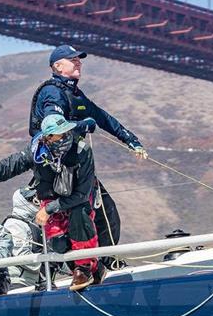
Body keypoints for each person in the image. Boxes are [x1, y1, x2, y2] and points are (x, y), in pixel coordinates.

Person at [0, 114, 102, 291]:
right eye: (60, 134)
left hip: (76, 201)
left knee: (78, 218)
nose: (66, 137)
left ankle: (85, 269)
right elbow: (7, 167)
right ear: (48, 137)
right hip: (50, 202)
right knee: (59, 245)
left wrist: (50, 209)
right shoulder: (36, 151)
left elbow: (82, 194)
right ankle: (96, 270)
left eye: (67, 132)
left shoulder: (82, 150)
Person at [30, 44, 149, 258]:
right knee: (84, 216)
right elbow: (53, 126)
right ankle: (83, 266)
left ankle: (103, 262)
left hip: (78, 166)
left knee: (106, 213)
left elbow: (102, 118)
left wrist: (131, 140)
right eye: (72, 59)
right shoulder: (52, 93)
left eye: (79, 59)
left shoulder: (74, 93)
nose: (79, 62)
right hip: (58, 170)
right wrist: (84, 124)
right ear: (57, 66)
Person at [2, 188, 43, 289]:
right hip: (18, 282)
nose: (37, 201)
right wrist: (47, 261)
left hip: (30, 281)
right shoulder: (15, 224)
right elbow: (21, 256)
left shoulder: (28, 223)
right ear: (22, 201)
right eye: (32, 198)